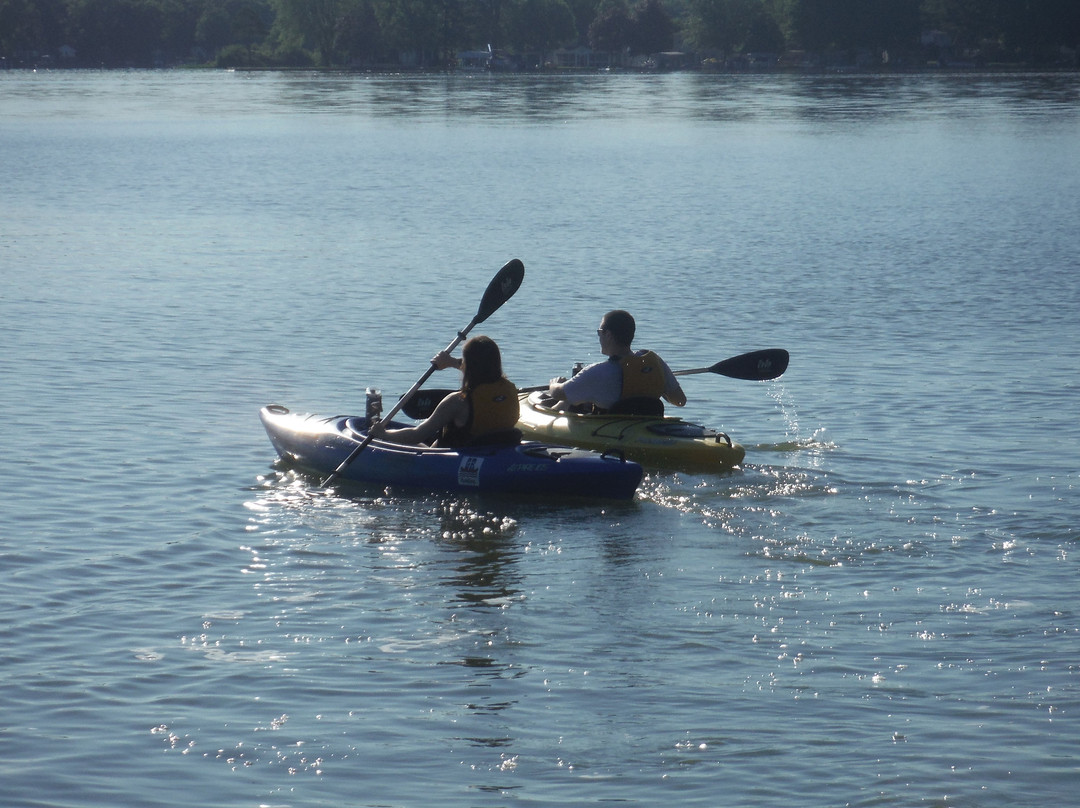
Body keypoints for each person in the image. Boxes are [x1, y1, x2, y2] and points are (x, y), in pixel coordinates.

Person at [369, 335, 520, 447]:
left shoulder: (458, 401)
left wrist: (383, 434)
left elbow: (417, 435)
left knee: (407, 441)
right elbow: (482, 368)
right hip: (497, 451)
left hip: (449, 459)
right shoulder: (510, 389)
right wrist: (451, 362)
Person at [547, 310, 686, 415]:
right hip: (647, 426)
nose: (599, 337)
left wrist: (554, 384)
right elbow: (680, 401)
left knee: (567, 400)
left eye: (599, 332)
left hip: (612, 434)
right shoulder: (654, 362)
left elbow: (559, 394)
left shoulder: (597, 372)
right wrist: (656, 383)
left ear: (608, 335)